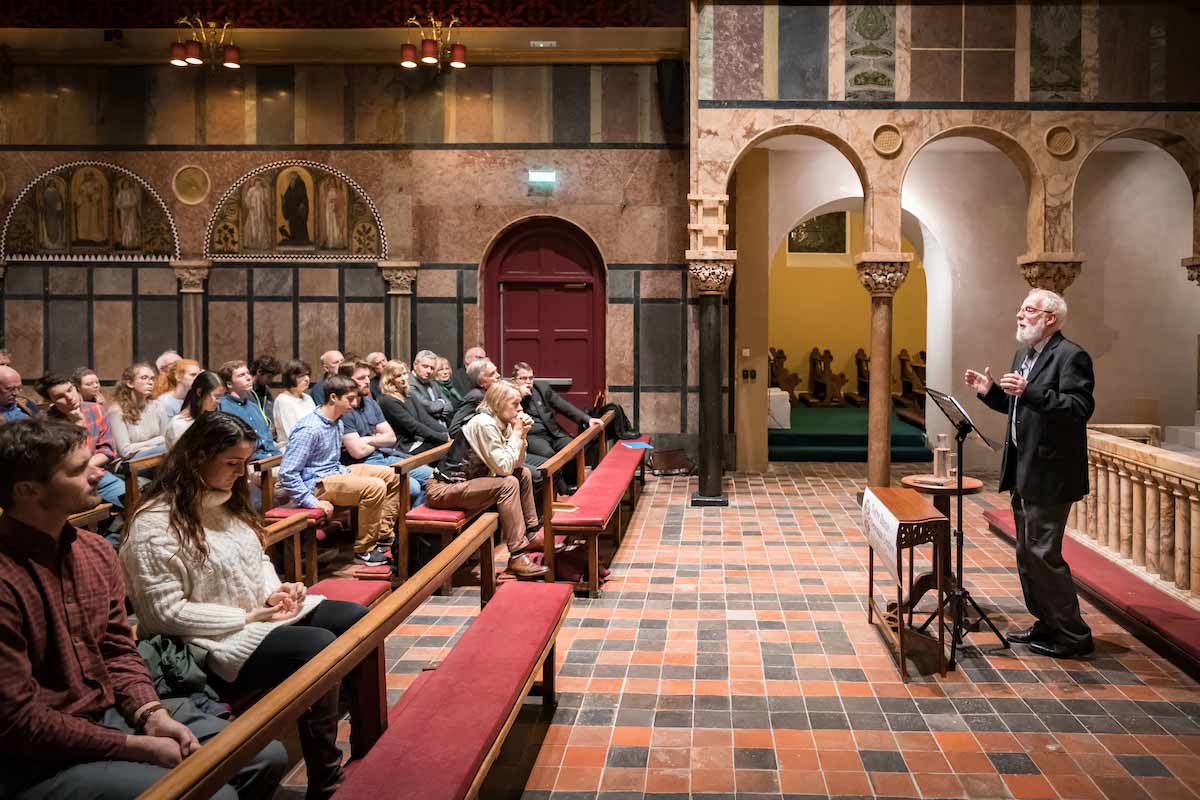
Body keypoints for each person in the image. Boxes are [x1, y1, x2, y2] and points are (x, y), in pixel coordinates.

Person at [0, 418, 287, 799]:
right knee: (213, 794)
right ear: (28, 490)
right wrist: (133, 746)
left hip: (111, 714)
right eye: (78, 469)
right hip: (36, 758)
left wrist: (150, 712)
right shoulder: (7, 576)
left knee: (263, 754)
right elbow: (17, 721)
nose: (97, 471)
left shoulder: (94, 551)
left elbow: (118, 650)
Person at [122, 413, 365, 799]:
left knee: (355, 619)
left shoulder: (225, 503)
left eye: (245, 463)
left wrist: (275, 592)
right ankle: (326, 774)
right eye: (232, 464)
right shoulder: (155, 523)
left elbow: (256, 560)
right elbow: (162, 614)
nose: (241, 473)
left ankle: (367, 742)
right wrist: (248, 615)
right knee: (317, 646)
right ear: (198, 457)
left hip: (255, 618)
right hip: (201, 644)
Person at [964, 288, 1095, 659]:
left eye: (1029, 310)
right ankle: (1046, 621)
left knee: (1043, 553)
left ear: (1050, 318)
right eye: (1020, 309)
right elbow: (1020, 406)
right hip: (1024, 469)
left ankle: (1073, 635)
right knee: (1026, 553)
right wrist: (990, 392)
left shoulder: (1071, 356)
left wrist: (1030, 390)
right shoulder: (1025, 354)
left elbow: (1079, 407)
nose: (1020, 315)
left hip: (1052, 474)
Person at [278, 375, 404, 566]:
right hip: (316, 484)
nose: (354, 404)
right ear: (334, 398)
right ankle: (364, 549)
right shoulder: (309, 428)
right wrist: (311, 501)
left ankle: (382, 535)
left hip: (335, 473)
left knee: (391, 474)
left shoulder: (338, 421)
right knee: (374, 486)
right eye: (350, 399)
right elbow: (287, 473)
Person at [425, 382, 548, 578]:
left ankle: (531, 535)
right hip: (443, 489)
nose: (520, 409)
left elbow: (516, 464)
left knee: (523, 474)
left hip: (469, 485)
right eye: (515, 404)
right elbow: (504, 468)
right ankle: (516, 555)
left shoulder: (502, 421)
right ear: (498, 403)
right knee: (508, 484)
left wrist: (522, 436)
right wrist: (517, 433)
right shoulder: (484, 422)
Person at [35, 372, 127, 531]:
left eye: (70, 390)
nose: (70, 397)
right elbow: (62, 463)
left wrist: (87, 466)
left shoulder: (96, 409)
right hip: (68, 480)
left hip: (98, 474)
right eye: (60, 396)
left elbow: (107, 450)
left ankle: (110, 541)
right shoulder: (45, 422)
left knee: (131, 500)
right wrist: (78, 424)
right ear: (51, 401)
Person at [338, 361, 433, 508]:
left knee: (431, 476)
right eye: (361, 378)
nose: (368, 381)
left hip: (383, 455)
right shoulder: (344, 409)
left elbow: (391, 438)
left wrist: (367, 440)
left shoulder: (370, 402)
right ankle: (399, 525)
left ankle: (414, 523)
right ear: (346, 381)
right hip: (360, 464)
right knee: (412, 487)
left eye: (368, 377)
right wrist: (376, 439)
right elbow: (357, 452)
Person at [513, 361, 603, 489]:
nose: (528, 382)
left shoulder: (541, 388)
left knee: (573, 447)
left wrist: (586, 419)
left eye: (531, 378)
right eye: (523, 378)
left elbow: (563, 405)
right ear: (514, 380)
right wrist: (520, 395)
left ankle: (574, 484)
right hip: (532, 436)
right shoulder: (511, 393)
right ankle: (561, 490)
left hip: (552, 432)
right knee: (548, 454)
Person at [378, 360, 449, 456]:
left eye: (405, 374)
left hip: (420, 439)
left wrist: (447, 433)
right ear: (389, 379)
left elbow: (425, 419)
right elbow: (413, 426)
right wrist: (442, 437)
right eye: (398, 376)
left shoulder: (409, 394)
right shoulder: (387, 401)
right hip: (404, 446)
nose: (403, 378)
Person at [218, 361, 281, 462]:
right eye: (241, 375)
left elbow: (267, 436)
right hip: (246, 461)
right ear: (229, 384)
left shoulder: (254, 406)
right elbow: (231, 443)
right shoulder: (222, 406)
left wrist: (275, 455)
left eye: (248, 373)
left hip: (270, 457)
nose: (249, 378)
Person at [107, 362, 168, 458]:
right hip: (129, 462)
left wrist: (144, 447)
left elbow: (167, 438)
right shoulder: (117, 411)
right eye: (144, 378)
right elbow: (125, 451)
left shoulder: (158, 406)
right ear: (130, 383)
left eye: (152, 378)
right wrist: (157, 441)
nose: (150, 382)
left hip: (157, 457)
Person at [165, 370, 224, 449]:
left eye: (221, 397)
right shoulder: (179, 425)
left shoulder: (211, 418)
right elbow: (184, 458)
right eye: (216, 396)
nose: (219, 402)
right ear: (199, 392)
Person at [448, 358, 500, 438]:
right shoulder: (477, 396)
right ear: (481, 382)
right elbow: (454, 430)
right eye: (492, 374)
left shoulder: (492, 394)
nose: (498, 376)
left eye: (496, 371)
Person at [274, 360, 317, 447]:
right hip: (293, 449)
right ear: (291, 377)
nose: (307, 379)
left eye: (308, 375)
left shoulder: (308, 398)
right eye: (302, 376)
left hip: (313, 445)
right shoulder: (283, 400)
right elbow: (291, 433)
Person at [410, 350, 454, 424]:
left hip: (442, 426)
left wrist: (436, 411)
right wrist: (442, 402)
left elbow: (450, 406)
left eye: (432, 368)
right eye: (425, 366)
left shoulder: (432, 383)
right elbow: (429, 407)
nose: (429, 371)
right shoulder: (409, 382)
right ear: (415, 365)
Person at [249, 356, 281, 435]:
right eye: (269, 377)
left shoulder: (267, 390)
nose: (271, 380)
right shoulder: (246, 391)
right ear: (259, 372)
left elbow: (269, 414)